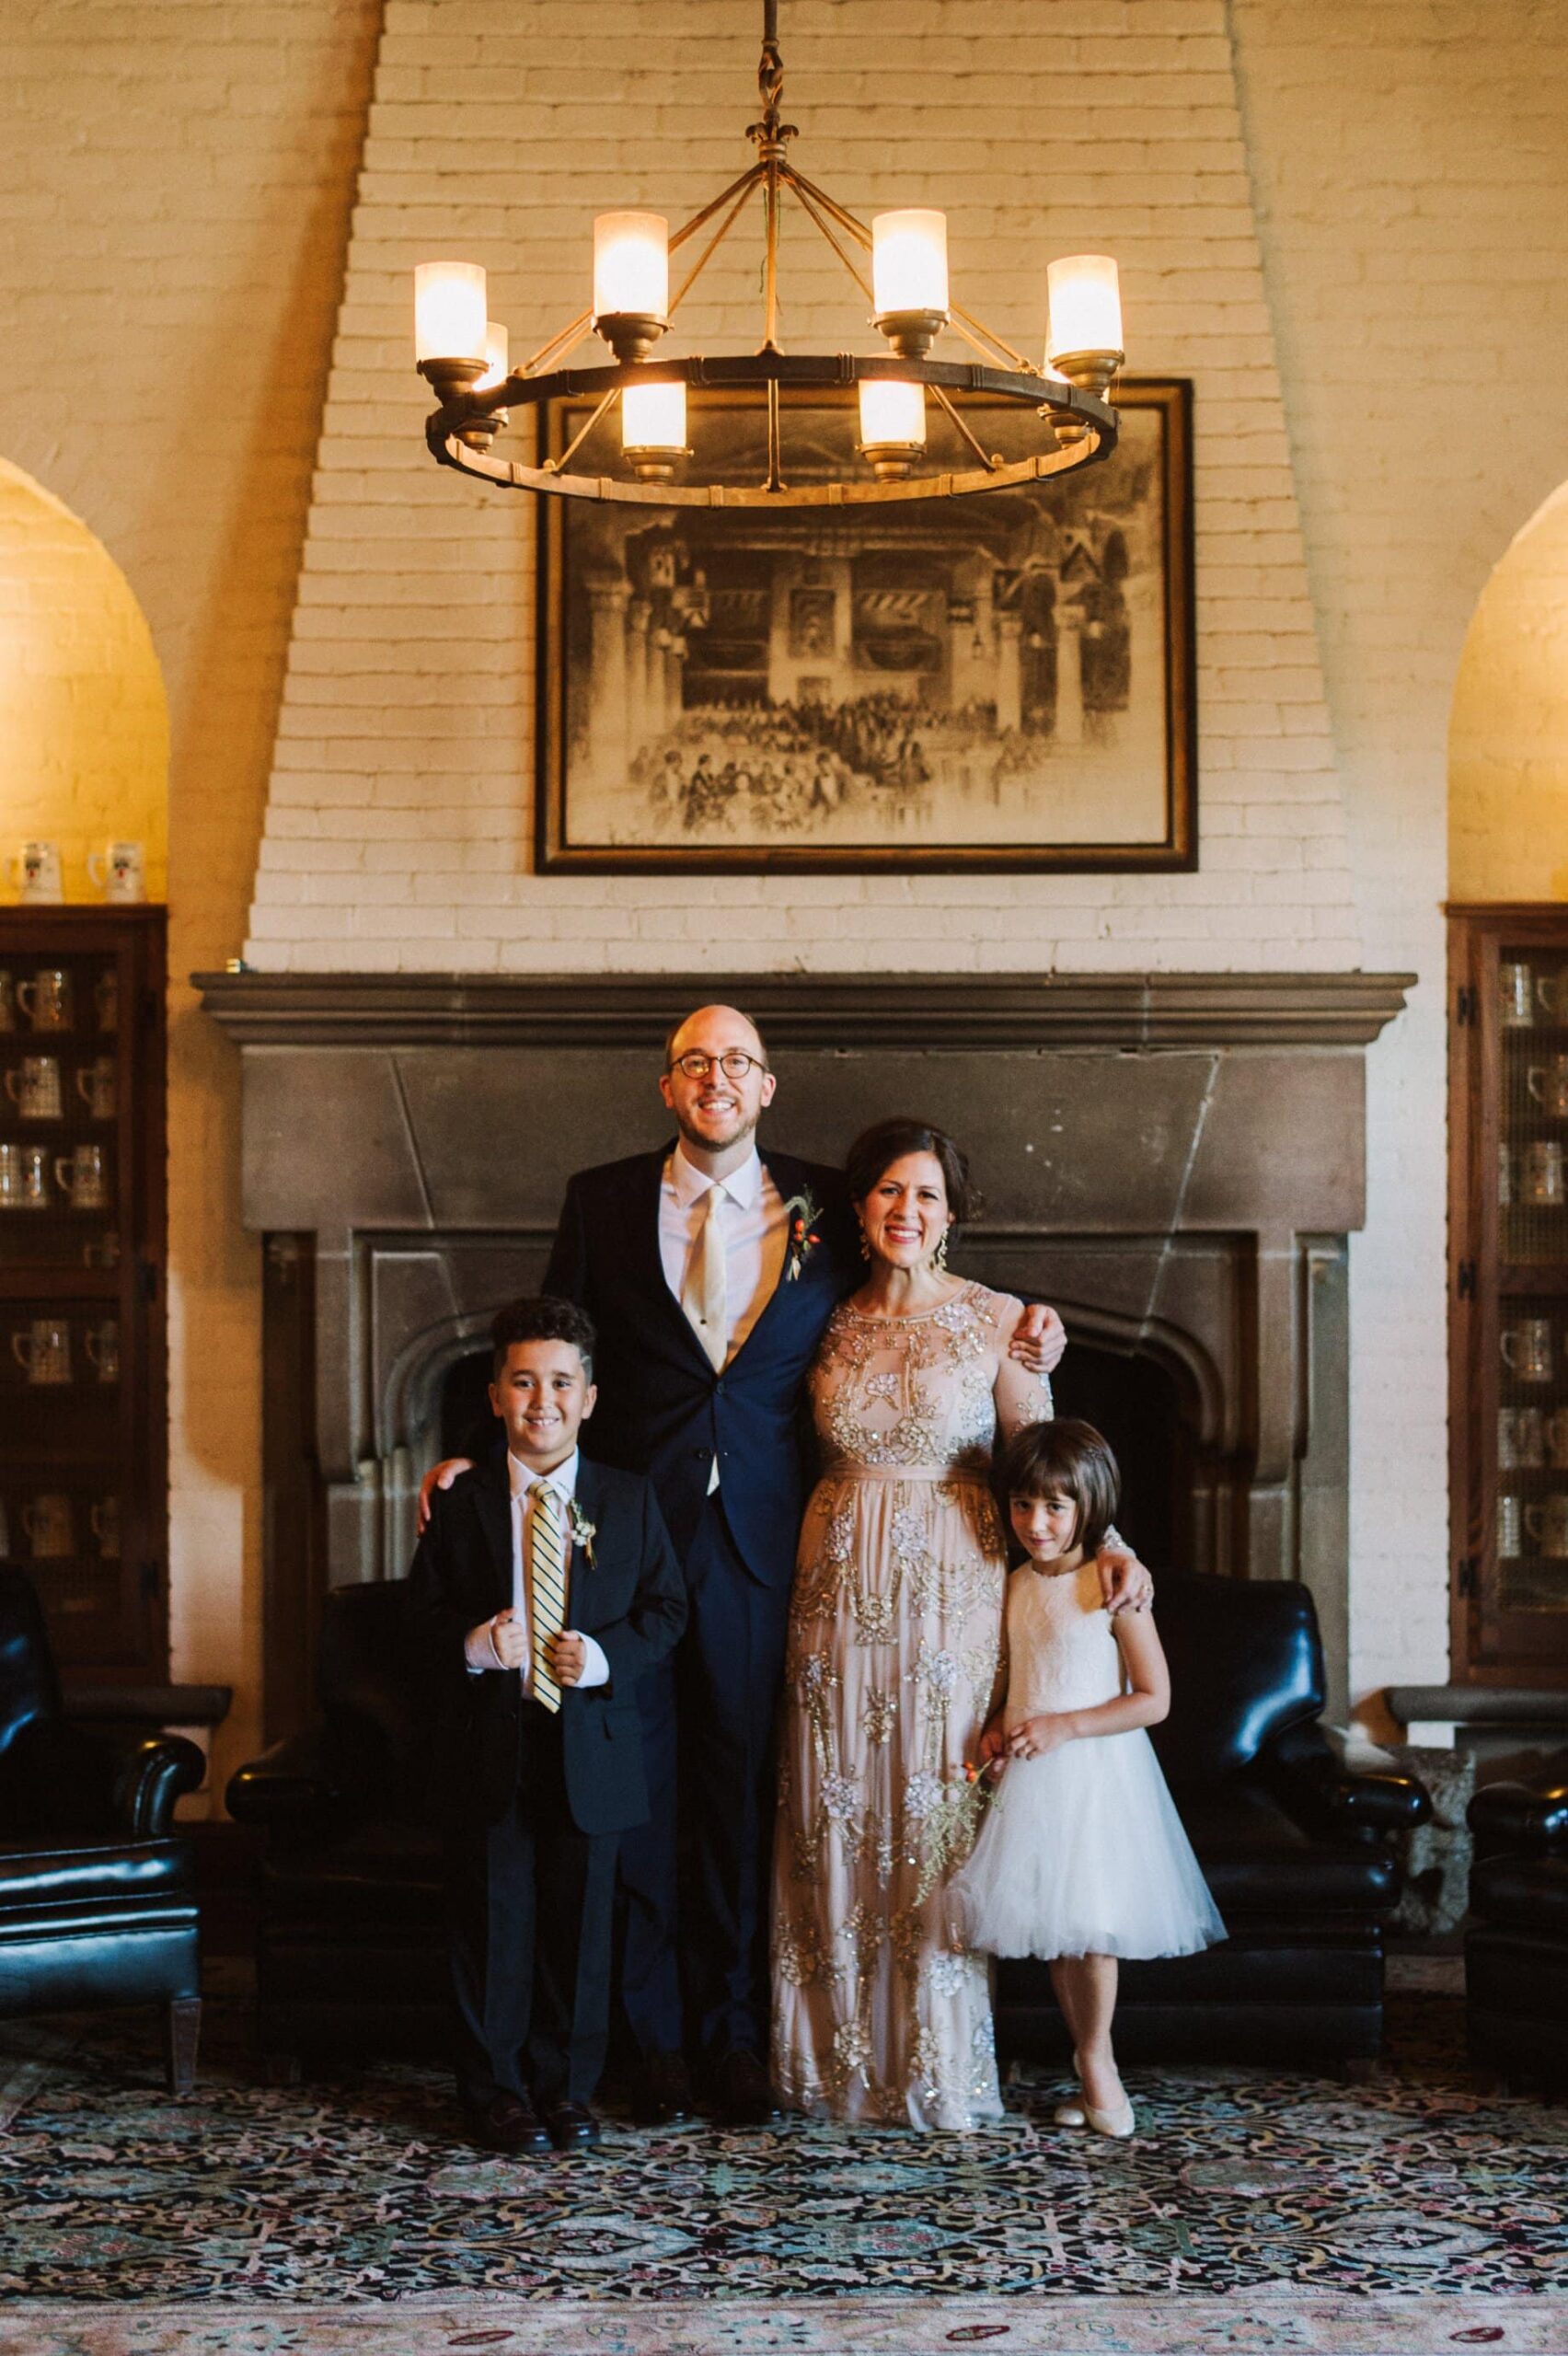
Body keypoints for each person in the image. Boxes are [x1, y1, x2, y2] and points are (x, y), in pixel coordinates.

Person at [419, 1003, 1079, 2128]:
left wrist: (1032, 1336)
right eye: (694, 1063)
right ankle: (650, 2044)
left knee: (737, 1796)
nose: (716, 1078)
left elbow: (920, 1301)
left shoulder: (833, 1200)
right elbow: (553, 1340)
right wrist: (480, 1467)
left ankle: (731, 2040)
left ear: (767, 1086)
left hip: (770, 1545)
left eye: (738, 1062)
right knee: (626, 1797)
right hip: (622, 1549)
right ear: (667, 1086)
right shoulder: (603, 1198)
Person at [770, 1118, 1153, 2131]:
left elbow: (1048, 1472)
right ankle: (830, 2062)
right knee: (833, 1813)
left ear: (952, 1214)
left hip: (956, 1594)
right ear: (859, 1209)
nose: (908, 1210)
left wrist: (1115, 1547)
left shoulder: (999, 1321)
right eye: (890, 1191)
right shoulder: (821, 1318)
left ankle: (938, 2065)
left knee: (936, 1814)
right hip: (834, 1590)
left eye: (928, 1195)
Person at [407, 1298, 686, 2155]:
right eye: (523, 1382)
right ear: (494, 1395)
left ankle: (566, 2090)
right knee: (495, 1923)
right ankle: (493, 2094)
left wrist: (603, 1659)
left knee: (582, 1928)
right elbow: (419, 1616)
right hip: (493, 1745)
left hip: (593, 1749)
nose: (543, 1402)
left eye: (561, 1383)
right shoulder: (461, 1501)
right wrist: (476, 1644)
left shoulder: (629, 1501)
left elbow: (667, 1611)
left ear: (590, 1398)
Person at [951, 1419, 1225, 2140]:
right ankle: (1084, 2063)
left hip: (1095, 1773)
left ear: (1089, 1506)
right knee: (1059, 1929)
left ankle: (1100, 2065)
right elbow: (1020, 1674)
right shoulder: (1014, 1583)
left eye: (1055, 1507)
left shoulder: (1109, 1586)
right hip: (1035, 1776)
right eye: (1022, 1507)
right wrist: (997, 1727)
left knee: (1093, 1930)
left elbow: (1153, 1698)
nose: (1036, 1525)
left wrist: (1064, 1727)